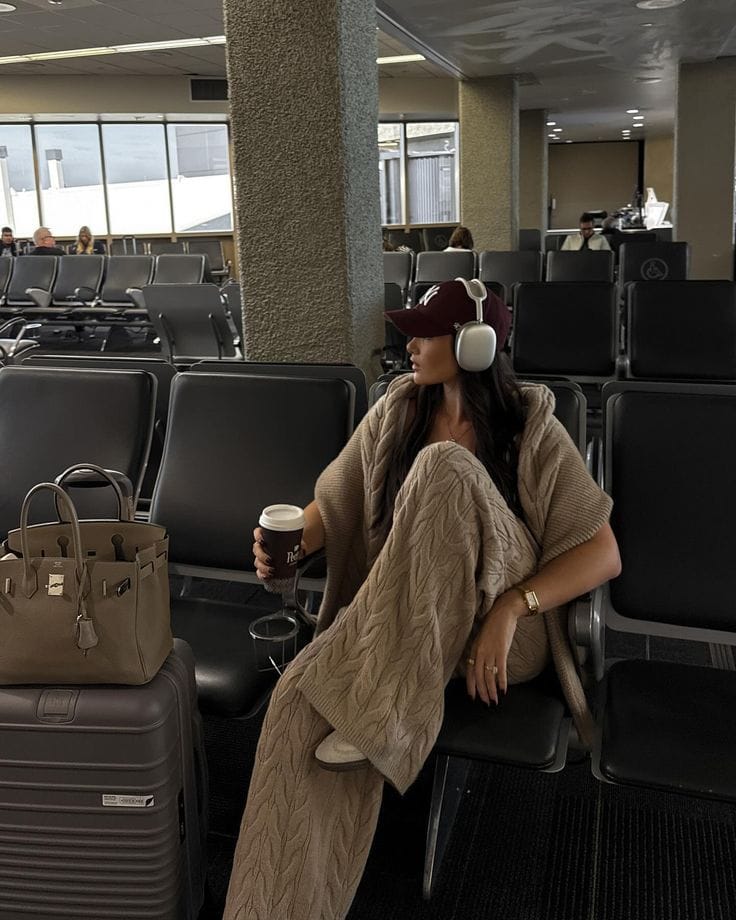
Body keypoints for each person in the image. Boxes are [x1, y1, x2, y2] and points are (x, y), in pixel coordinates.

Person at [223, 280, 621, 920]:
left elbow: (602, 553)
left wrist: (510, 608)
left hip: (500, 638)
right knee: (296, 698)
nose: (408, 345)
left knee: (443, 468)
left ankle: (380, 713)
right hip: (408, 624)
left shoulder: (531, 428)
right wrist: (291, 542)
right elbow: (338, 502)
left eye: (424, 333)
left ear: (473, 344)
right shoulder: (397, 410)